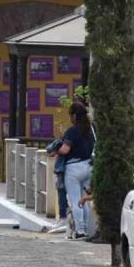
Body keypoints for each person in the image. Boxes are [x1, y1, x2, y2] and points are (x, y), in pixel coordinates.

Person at [58, 102, 95, 240]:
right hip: (89, 166)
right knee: (84, 199)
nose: (70, 118)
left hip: (73, 168)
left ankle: (79, 230)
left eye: (70, 115)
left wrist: (56, 149)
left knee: (75, 200)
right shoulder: (91, 129)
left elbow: (65, 149)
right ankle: (84, 228)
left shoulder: (72, 131)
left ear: (74, 115)